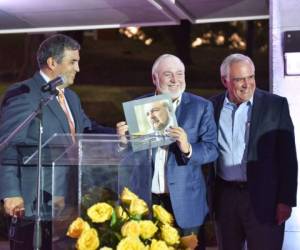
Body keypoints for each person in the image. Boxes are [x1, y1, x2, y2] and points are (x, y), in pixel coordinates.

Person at [0, 34, 114, 250]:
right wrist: (10, 193)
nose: (78, 68)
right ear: (53, 62)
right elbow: (8, 145)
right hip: (32, 202)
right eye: (73, 62)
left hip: (67, 199)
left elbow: (86, 129)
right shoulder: (24, 93)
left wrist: (117, 133)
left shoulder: (71, 97)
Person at [117, 54, 218, 249]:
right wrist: (122, 142)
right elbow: (129, 156)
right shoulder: (139, 107)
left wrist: (187, 148)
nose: (175, 80)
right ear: (155, 78)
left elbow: (212, 150)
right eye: (168, 74)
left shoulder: (201, 107)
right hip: (146, 201)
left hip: (186, 203)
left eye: (180, 74)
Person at [210, 53, 298, 250]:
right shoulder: (211, 107)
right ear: (225, 80)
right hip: (225, 198)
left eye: (251, 77)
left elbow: (288, 159)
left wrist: (286, 200)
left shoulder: (275, 105)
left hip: (265, 198)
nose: (247, 84)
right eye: (240, 79)